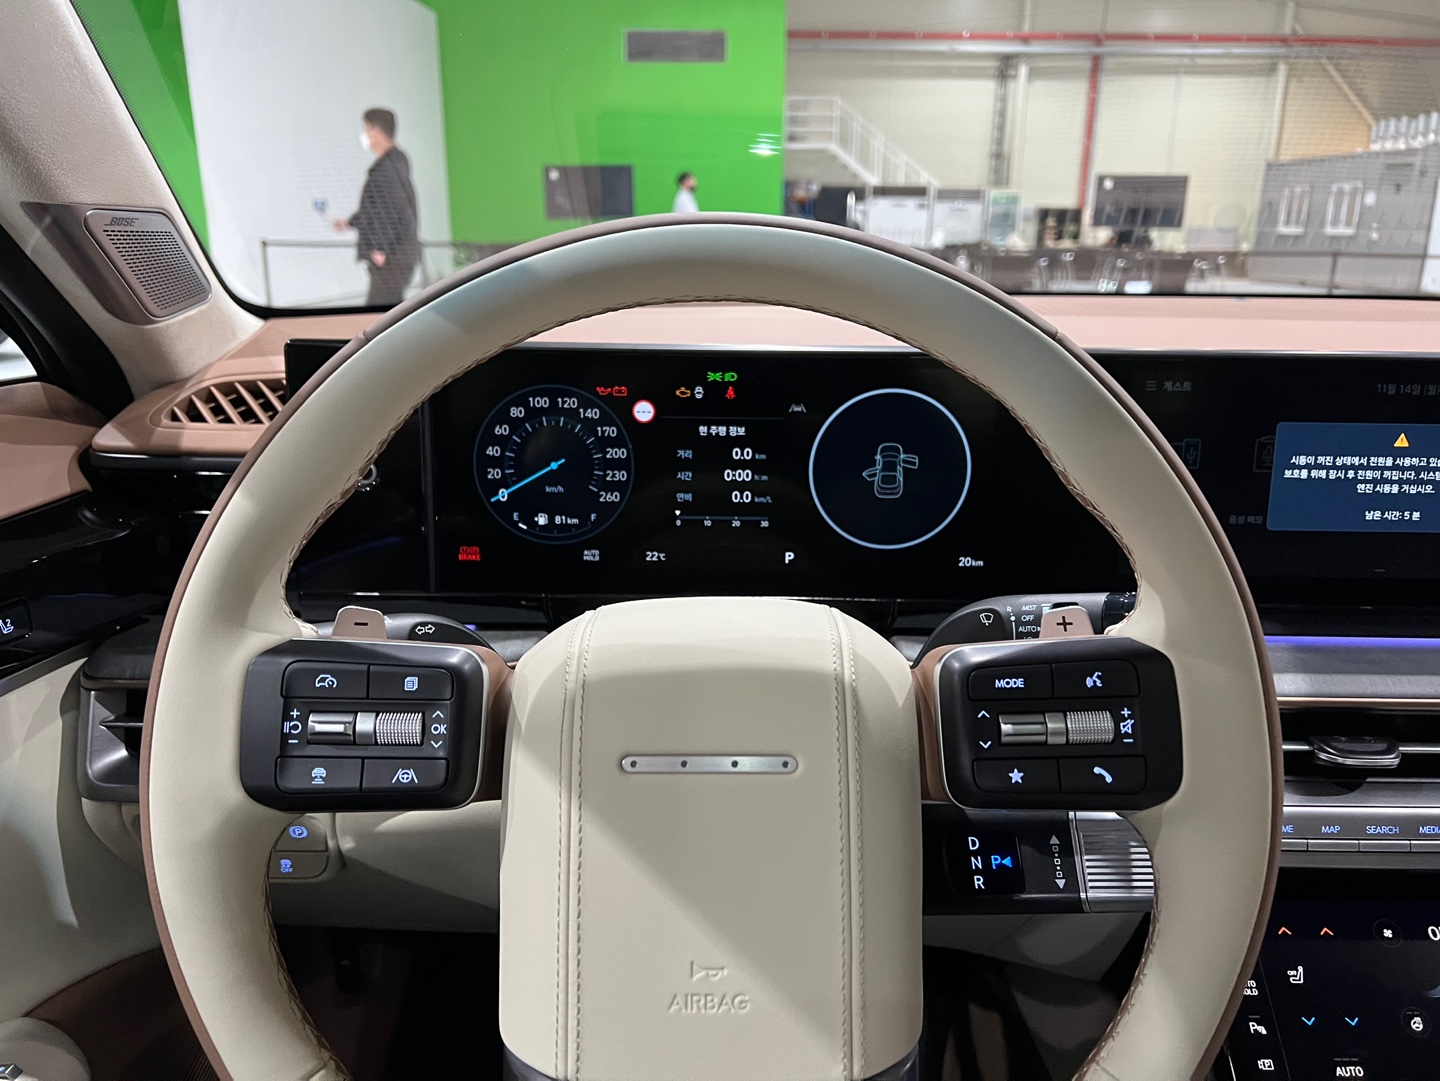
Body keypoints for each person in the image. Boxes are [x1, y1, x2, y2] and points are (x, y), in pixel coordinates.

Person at [334, 108, 418, 307]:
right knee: (390, 308)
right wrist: (350, 223)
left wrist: (380, 247)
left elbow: (389, 210)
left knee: (379, 311)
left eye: (366, 130)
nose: (365, 136)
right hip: (400, 255)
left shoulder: (385, 170)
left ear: (376, 132)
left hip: (391, 259)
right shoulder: (397, 163)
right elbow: (376, 207)